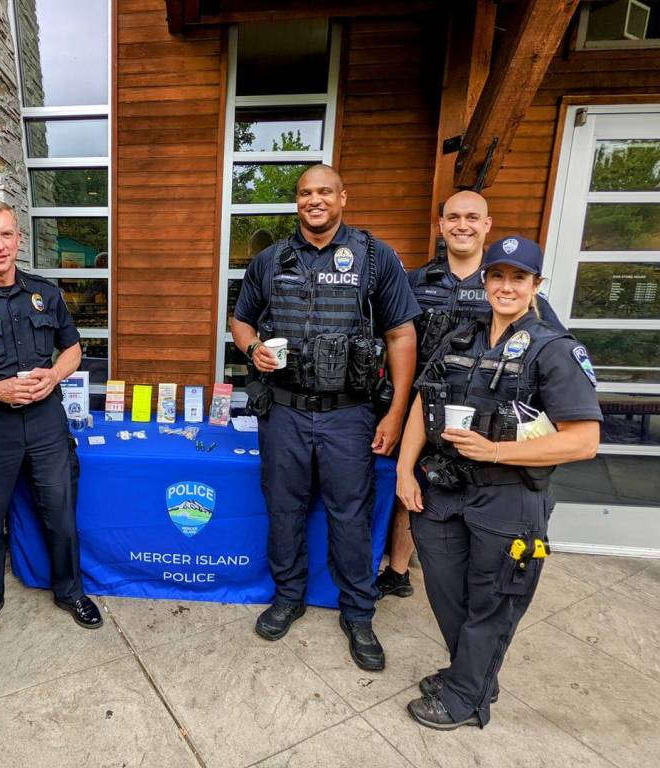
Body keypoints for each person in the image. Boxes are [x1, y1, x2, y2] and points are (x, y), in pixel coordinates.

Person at [396, 234, 601, 729]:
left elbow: (583, 441)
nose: (506, 286)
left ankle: (466, 700)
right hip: (445, 491)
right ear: (485, 280)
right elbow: (424, 402)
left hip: (510, 500)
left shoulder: (554, 350)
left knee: (492, 602)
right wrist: (405, 469)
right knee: (449, 595)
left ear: (536, 285)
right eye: (497, 276)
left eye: (518, 278)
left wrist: (496, 451)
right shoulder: (460, 337)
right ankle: (470, 675)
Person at [231, 164, 420, 670]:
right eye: (304, 193)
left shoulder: (376, 259)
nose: (314, 200)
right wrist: (252, 350)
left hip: (350, 414)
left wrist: (397, 413)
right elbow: (241, 319)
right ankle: (288, 597)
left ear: (342, 198)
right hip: (286, 413)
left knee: (351, 515)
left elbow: (402, 334)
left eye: (324, 192)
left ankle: (358, 612)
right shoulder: (269, 261)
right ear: (297, 202)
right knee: (285, 510)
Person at [376, 192, 565, 600]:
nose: (463, 225)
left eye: (472, 218)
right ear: (440, 226)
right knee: (410, 486)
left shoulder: (511, 284)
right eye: (454, 218)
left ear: (487, 225)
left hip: (490, 419)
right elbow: (391, 340)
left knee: (475, 495)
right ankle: (397, 568)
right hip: (420, 407)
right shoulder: (415, 282)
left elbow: (550, 350)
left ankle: (467, 574)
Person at [0, 199, 102, 645]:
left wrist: (55, 375)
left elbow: (72, 348)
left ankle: (71, 591)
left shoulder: (45, 292)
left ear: (19, 239)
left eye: (6, 234)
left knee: (61, 511)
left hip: (46, 421)